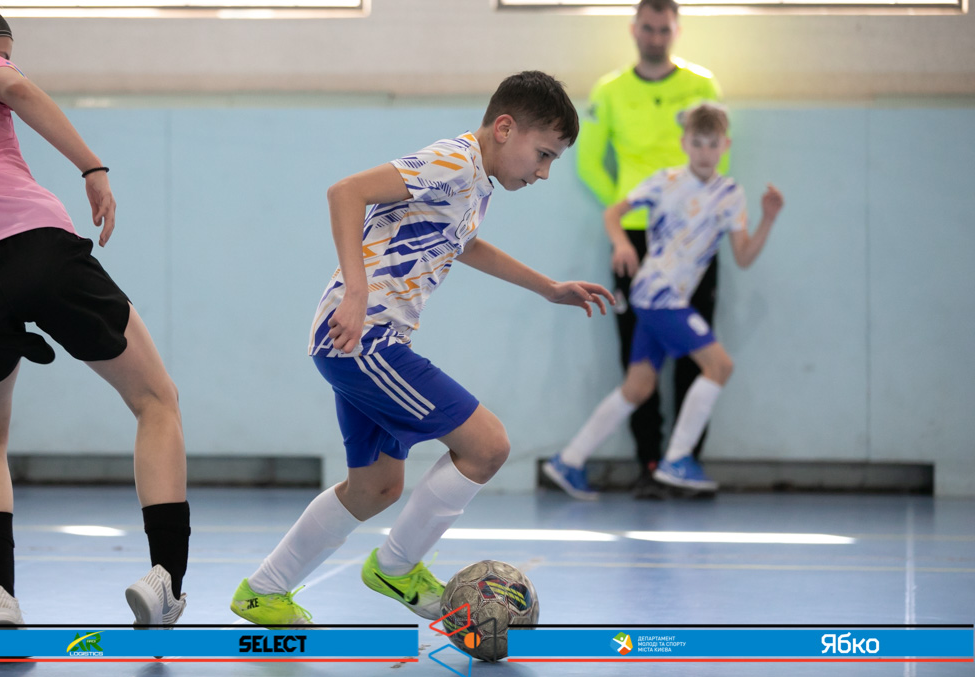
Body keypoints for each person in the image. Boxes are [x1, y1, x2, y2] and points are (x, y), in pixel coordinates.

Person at [230, 71, 614, 625]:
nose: (544, 172)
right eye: (544, 154)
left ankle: (262, 591)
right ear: (505, 128)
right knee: (488, 446)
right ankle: (397, 567)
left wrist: (548, 288)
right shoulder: (455, 161)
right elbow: (346, 192)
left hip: (360, 345)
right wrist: (357, 292)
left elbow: (466, 245)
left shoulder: (473, 181)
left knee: (376, 487)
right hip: (368, 341)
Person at [0, 0, 190, 627]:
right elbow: (19, 90)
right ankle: (166, 578)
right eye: (0, 53)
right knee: (156, 400)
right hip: (38, 249)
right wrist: (92, 166)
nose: (6, 63)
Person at [546, 103, 783, 497]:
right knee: (720, 366)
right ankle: (677, 459)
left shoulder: (730, 194)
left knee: (637, 387)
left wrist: (768, 219)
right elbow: (613, 213)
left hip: (669, 299)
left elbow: (743, 257)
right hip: (658, 295)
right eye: (698, 143)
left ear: (725, 146)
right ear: (684, 143)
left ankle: (568, 461)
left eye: (712, 144)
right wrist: (622, 243)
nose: (705, 152)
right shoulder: (664, 181)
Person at [562, 0, 726, 499]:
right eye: (648, 29)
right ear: (635, 30)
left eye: (664, 29)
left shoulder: (701, 84)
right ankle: (650, 463)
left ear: (677, 30)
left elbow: (717, 152)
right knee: (638, 357)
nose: (656, 37)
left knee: (697, 353)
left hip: (692, 238)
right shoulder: (610, 90)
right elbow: (589, 162)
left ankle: (684, 462)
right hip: (635, 236)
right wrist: (626, 212)